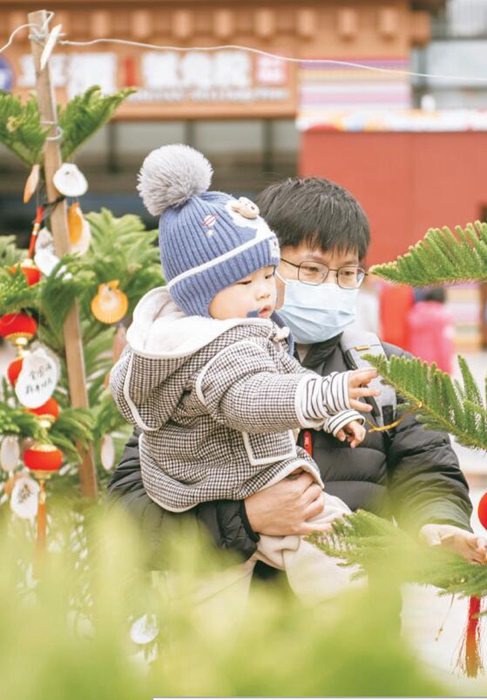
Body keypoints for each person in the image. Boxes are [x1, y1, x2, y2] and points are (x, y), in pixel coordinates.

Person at [108, 173, 486, 570]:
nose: (331, 286)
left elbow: (429, 474)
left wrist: (438, 524)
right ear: (265, 263)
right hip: (230, 608)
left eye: (347, 273)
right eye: (312, 269)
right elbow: (127, 512)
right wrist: (245, 519)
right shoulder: (189, 367)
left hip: (356, 608)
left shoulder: (386, 373)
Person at [110, 144, 379, 602]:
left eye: (267, 276)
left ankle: (350, 630)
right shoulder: (209, 349)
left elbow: (288, 374)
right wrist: (244, 518)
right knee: (215, 602)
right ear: (201, 294)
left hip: (271, 491)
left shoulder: (269, 337)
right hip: (228, 491)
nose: (264, 293)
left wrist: (333, 412)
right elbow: (251, 397)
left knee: (336, 546)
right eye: (313, 269)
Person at [407, 288, 455, 374]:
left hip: (416, 362)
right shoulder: (443, 315)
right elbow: (445, 344)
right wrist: (447, 368)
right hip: (436, 365)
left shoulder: (415, 312)